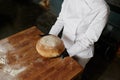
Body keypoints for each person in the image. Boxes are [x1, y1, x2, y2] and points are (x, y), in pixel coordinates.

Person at [49, 0, 110, 68]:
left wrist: (69, 52)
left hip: (81, 53)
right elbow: (61, 20)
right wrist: (50, 35)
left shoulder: (102, 8)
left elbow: (89, 38)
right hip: (63, 44)